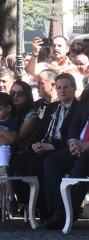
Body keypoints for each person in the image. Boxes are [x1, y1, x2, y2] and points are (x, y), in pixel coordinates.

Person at [10, 73, 78, 219]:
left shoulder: (78, 109)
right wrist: (36, 144)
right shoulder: (51, 107)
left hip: (61, 147)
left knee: (38, 164)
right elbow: (41, 131)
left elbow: (73, 135)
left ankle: (46, 208)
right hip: (44, 144)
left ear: (74, 88)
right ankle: (28, 203)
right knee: (17, 162)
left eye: (66, 87)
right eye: (59, 87)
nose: (62, 90)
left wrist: (50, 146)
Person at [41, 88, 89, 229]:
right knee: (51, 163)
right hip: (79, 144)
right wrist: (72, 141)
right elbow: (76, 122)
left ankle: (68, 214)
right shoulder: (87, 94)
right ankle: (59, 210)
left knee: (81, 166)